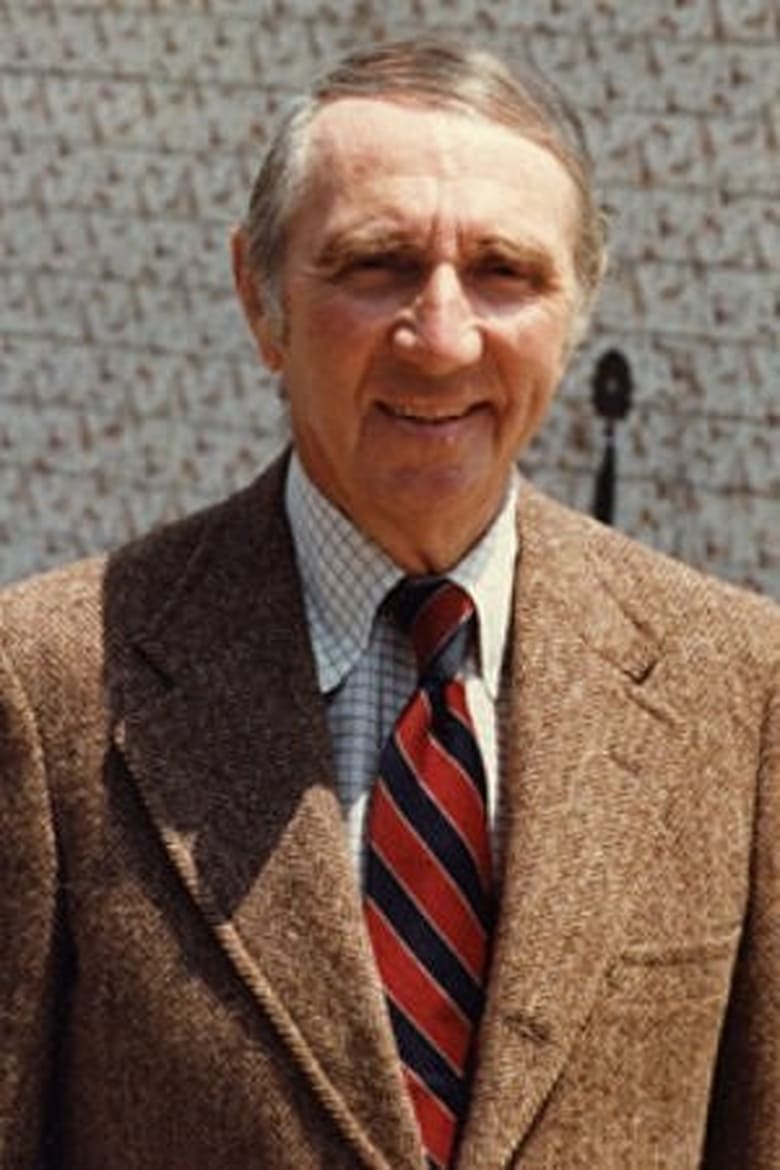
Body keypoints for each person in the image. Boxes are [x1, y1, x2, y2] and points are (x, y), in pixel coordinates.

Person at [0, 37, 777, 1170]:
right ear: (260, 299)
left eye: (505, 273)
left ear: (576, 308)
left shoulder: (737, 686)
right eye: (377, 265)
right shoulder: (49, 686)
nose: (443, 338)